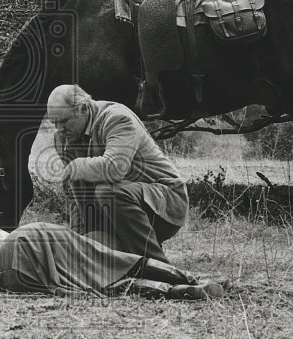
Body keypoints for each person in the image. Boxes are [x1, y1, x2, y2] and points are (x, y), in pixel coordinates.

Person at [45, 84, 188, 264]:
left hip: (165, 205)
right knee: (91, 254)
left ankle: (158, 266)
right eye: (54, 123)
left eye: (64, 121)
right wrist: (79, 243)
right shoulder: (63, 137)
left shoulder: (117, 118)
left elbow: (115, 168)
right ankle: (128, 256)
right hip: (117, 212)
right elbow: (75, 194)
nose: (59, 129)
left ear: (83, 108)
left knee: (108, 191)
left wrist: (77, 166)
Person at [0, 220, 230, 299]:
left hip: (12, 277)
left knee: (99, 286)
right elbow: (2, 235)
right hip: (26, 239)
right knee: (108, 258)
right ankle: (190, 278)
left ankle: (181, 292)